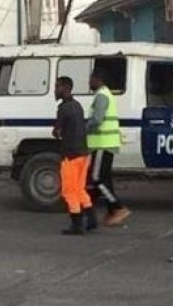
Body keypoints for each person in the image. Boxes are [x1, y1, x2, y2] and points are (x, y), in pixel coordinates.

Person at [86, 68, 131, 228]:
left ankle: (117, 207)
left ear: (98, 79)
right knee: (105, 180)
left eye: (91, 79)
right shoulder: (106, 95)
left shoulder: (101, 96)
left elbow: (97, 119)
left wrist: (83, 127)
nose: (89, 82)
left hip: (101, 144)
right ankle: (108, 212)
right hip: (106, 143)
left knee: (96, 179)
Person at [53, 76, 93, 236]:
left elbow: (57, 131)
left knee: (69, 191)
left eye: (57, 87)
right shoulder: (78, 106)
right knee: (79, 188)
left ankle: (77, 224)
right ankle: (90, 219)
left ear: (65, 88)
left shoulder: (63, 108)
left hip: (70, 155)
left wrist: (55, 131)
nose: (55, 90)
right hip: (84, 153)